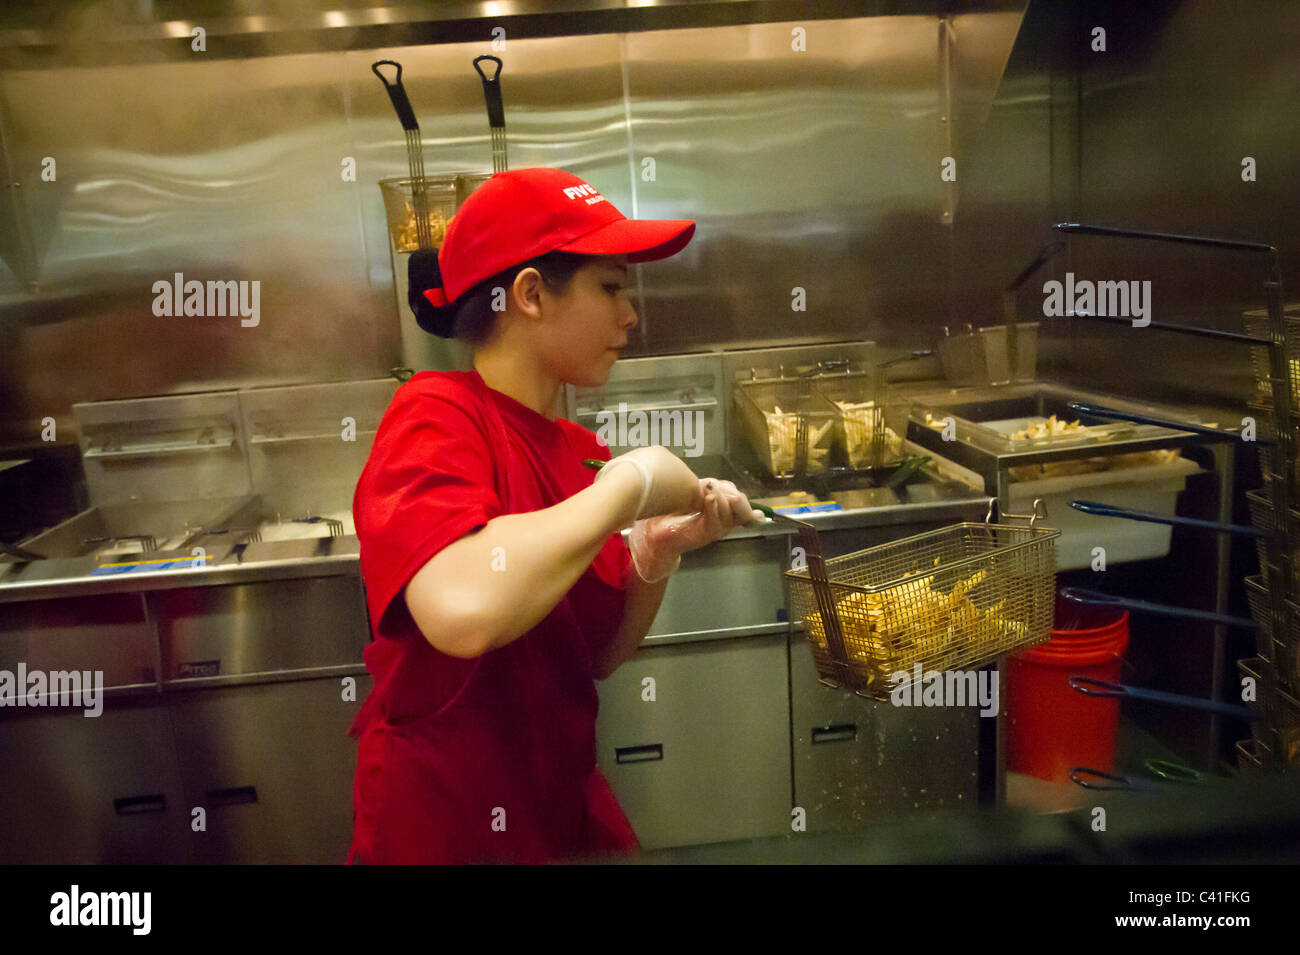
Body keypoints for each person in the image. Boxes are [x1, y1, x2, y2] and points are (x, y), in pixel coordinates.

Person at [347, 167, 762, 864]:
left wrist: (655, 554)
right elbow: (462, 605)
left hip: (557, 807)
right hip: (447, 825)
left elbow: (597, 655)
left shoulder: (578, 452)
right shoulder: (435, 413)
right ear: (532, 293)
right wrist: (629, 484)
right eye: (611, 286)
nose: (630, 314)